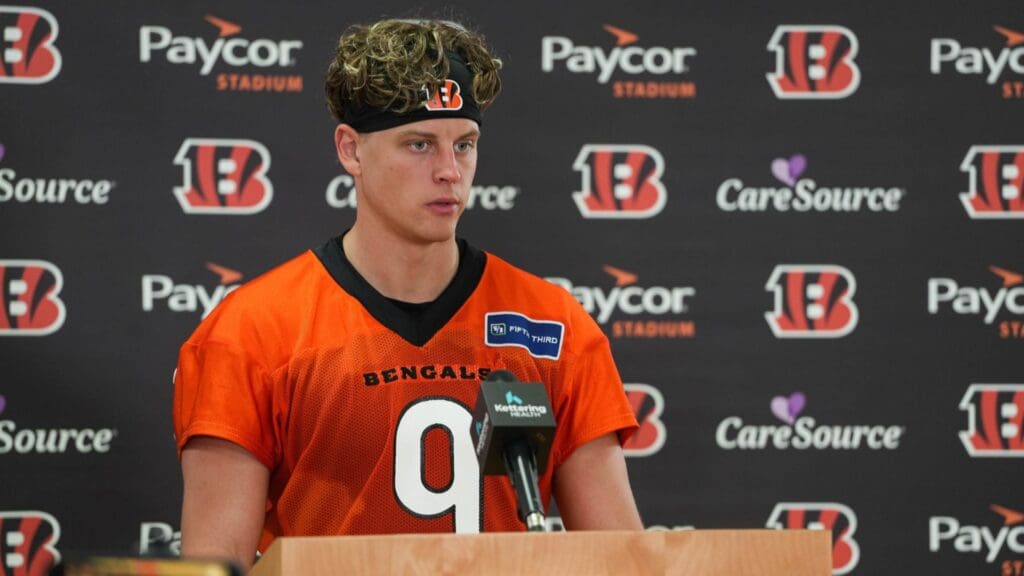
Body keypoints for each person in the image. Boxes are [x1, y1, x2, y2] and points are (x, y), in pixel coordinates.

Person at [173, 18, 643, 571]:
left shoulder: (555, 326)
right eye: (419, 144)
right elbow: (214, 565)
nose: (450, 172)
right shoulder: (251, 331)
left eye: (464, 144)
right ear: (351, 150)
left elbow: (621, 560)